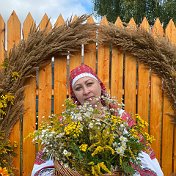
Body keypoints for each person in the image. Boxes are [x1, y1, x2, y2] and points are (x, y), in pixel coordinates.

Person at [31, 64, 164, 176]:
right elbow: (47, 158)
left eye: (89, 84)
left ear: (99, 85)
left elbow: (142, 154)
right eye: (78, 88)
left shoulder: (120, 117)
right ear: (74, 94)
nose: (86, 91)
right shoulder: (66, 121)